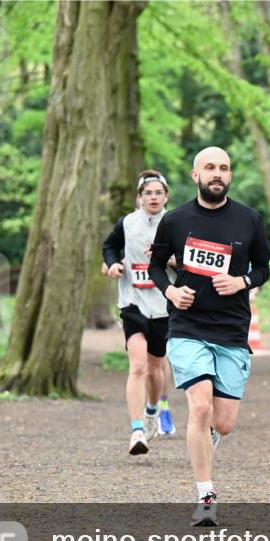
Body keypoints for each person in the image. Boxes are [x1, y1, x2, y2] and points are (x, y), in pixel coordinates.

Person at [149, 146, 270, 526]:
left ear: (230, 176)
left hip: (232, 330)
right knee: (199, 408)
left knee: (224, 422)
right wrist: (170, 291)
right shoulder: (175, 220)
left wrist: (242, 281)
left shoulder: (249, 220)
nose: (217, 173)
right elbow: (155, 265)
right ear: (195, 175)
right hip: (187, 326)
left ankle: (206, 438)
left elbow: (264, 267)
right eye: (210, 168)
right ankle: (206, 496)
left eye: (224, 168)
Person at [101, 170, 174, 456]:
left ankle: (152, 410)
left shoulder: (176, 223)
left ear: (166, 196)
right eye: (148, 193)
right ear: (139, 198)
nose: (153, 198)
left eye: (158, 193)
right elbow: (110, 246)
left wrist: (168, 259)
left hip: (164, 304)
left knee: (156, 368)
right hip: (132, 303)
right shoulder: (128, 223)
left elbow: (187, 261)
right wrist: (114, 264)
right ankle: (136, 430)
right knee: (138, 366)